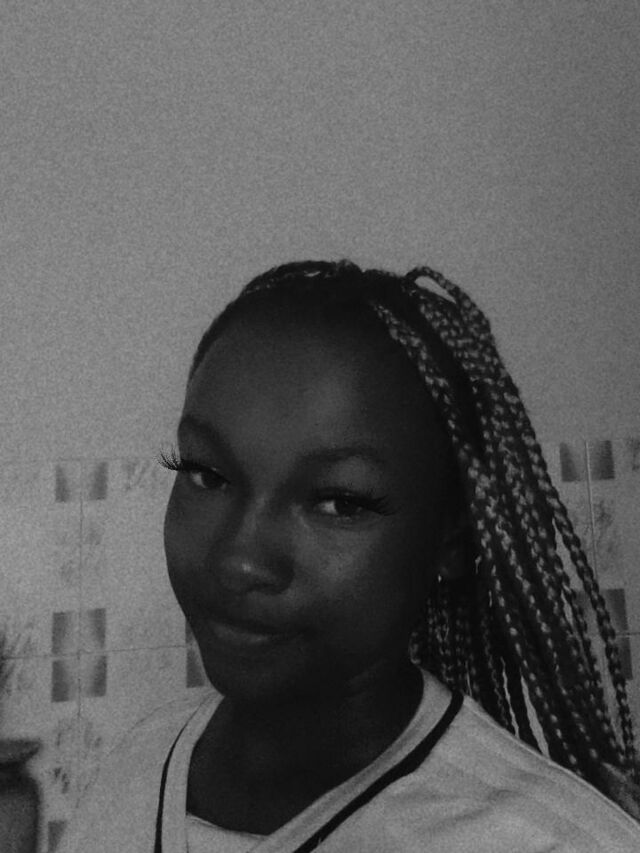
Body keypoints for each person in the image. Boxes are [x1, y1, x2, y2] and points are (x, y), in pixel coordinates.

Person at [61, 260, 640, 852]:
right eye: (207, 473)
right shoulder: (135, 764)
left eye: (339, 503)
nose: (238, 561)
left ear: (451, 538)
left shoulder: (543, 841)